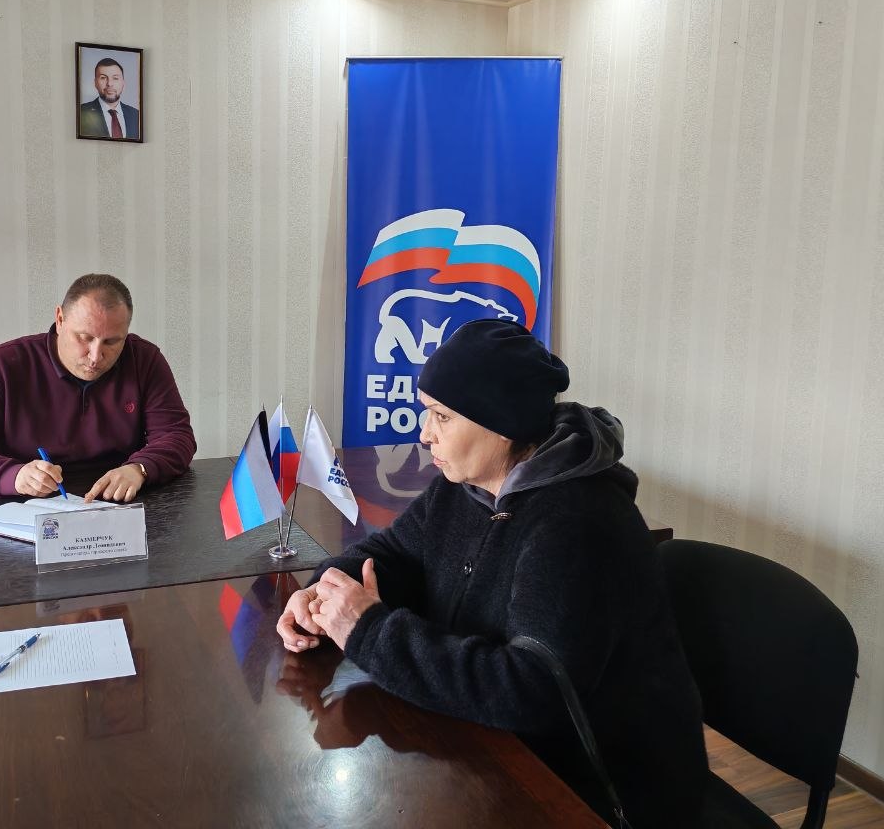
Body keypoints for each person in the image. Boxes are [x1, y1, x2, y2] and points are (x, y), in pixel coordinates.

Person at [276, 320, 707, 829]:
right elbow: (394, 554)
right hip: (497, 748)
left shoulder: (577, 524)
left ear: (502, 423)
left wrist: (366, 630)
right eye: (426, 411)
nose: (424, 433)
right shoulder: (466, 484)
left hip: (601, 791)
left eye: (442, 416)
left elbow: (533, 692)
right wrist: (325, 594)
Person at [0, 273, 195, 501]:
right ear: (60, 319)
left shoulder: (144, 360)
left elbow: (177, 436)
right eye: (85, 337)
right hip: (26, 505)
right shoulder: (1, 366)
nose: (95, 356)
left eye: (112, 342)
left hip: (117, 501)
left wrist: (140, 468)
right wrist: (13, 476)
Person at [79, 57, 140, 139]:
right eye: (103, 78)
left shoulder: (136, 115)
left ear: (123, 83)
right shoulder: (81, 112)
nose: (109, 83)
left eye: (115, 78)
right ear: (95, 83)